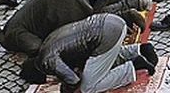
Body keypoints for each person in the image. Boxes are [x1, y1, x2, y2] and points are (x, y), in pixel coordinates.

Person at [19, 14, 157, 93]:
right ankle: (140, 49)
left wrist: (62, 89)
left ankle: (133, 66)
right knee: (103, 61)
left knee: (88, 87)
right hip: (112, 22)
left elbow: (74, 81)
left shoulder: (47, 61)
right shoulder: (47, 44)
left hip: (106, 36)